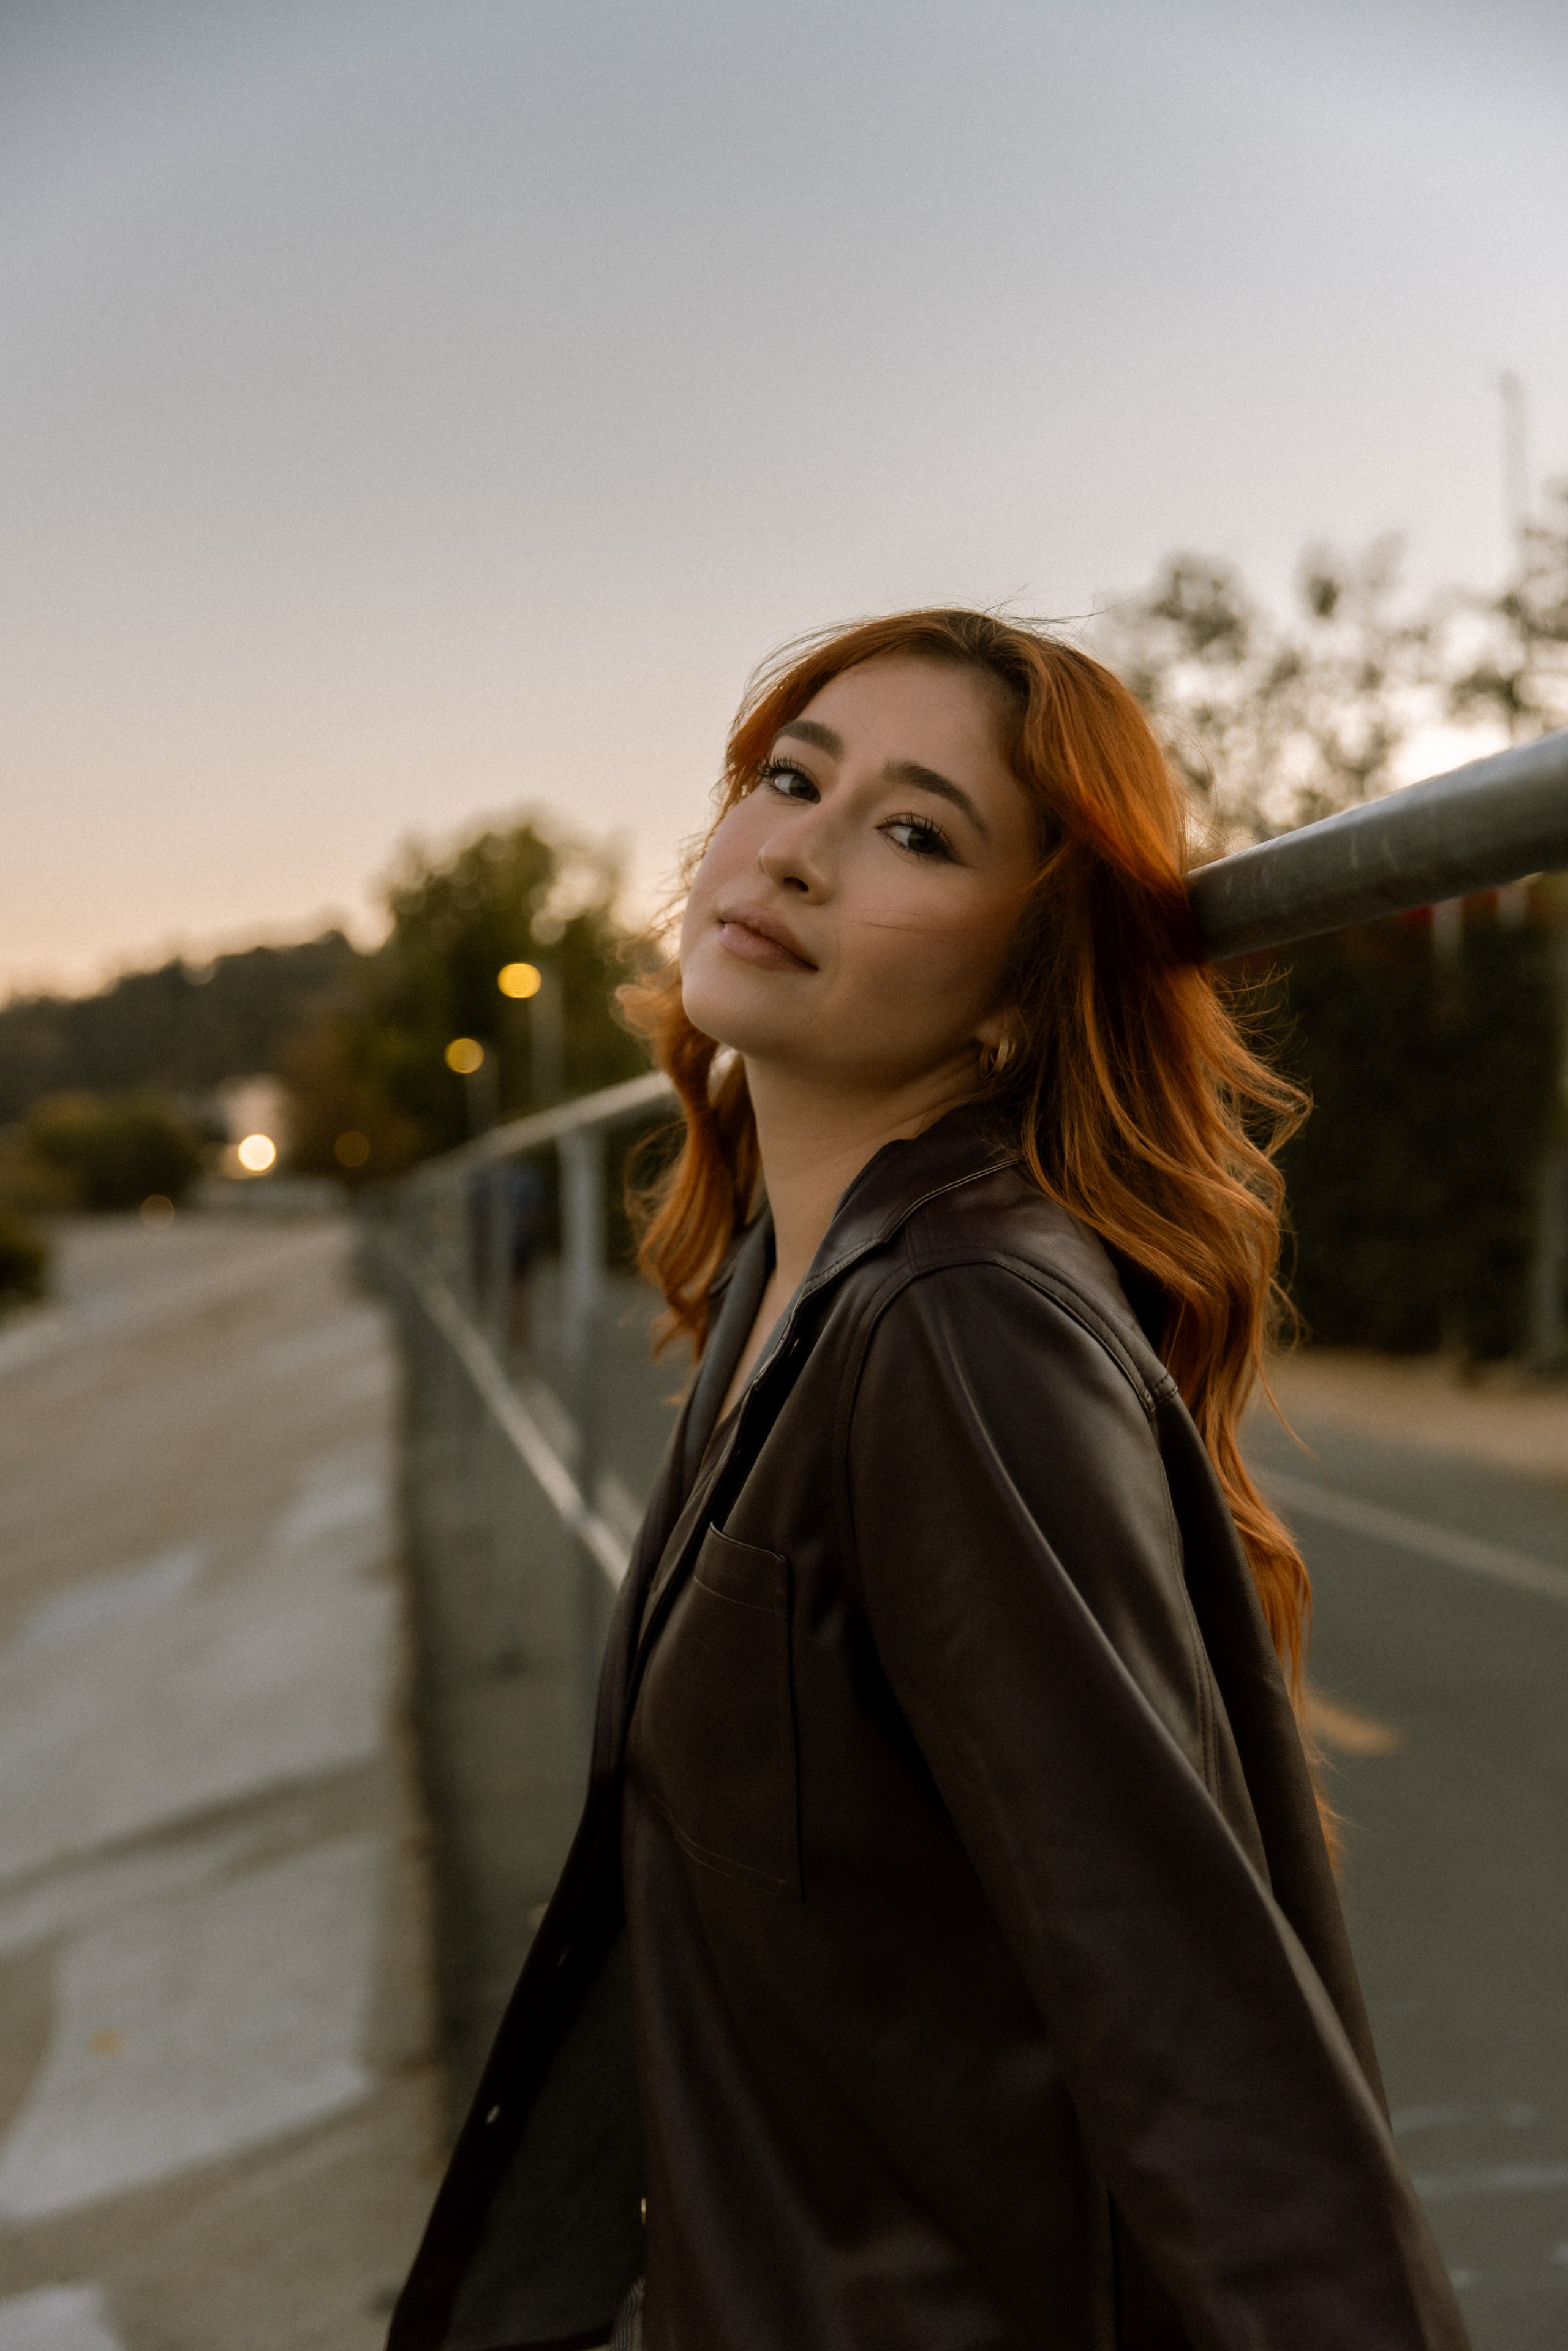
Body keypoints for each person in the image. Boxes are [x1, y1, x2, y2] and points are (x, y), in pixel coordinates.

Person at [390, 611, 1469, 2351]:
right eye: (788, 779)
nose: (795, 853)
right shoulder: (790, 1274)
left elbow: (1206, 2043)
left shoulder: (958, 1332)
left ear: (1030, 984)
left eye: (913, 832)